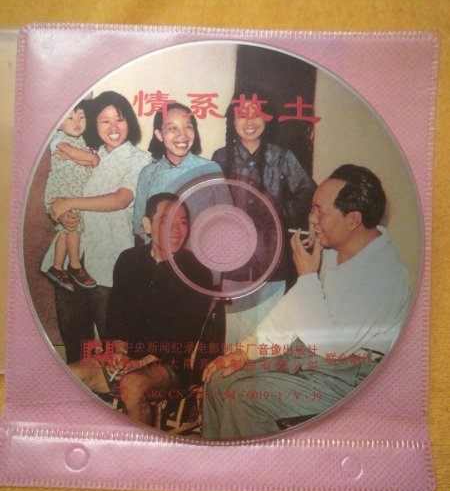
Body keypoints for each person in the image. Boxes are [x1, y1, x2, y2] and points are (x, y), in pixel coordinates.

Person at [202, 165, 411, 440]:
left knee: (244, 398)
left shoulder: (384, 272)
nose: (311, 218)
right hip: (309, 360)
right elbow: (291, 313)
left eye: (319, 210)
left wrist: (308, 277)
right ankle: (218, 463)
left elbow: (330, 346)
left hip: (350, 377)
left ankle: (253, 467)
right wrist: (246, 351)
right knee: (219, 379)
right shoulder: (334, 252)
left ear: (353, 220)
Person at [71, 193, 222, 425]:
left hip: (171, 365)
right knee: (72, 374)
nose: (176, 230)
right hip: (128, 361)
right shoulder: (129, 260)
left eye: (183, 222)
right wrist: (118, 353)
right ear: (147, 225)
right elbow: (116, 319)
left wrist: (139, 364)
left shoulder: (195, 271)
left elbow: (184, 337)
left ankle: (140, 447)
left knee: (131, 386)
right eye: (167, 221)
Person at [44, 91, 151, 363]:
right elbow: (59, 187)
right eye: (105, 121)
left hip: (110, 260)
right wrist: (60, 213)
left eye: (120, 119)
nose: (113, 127)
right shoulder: (88, 153)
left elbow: (121, 199)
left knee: (113, 349)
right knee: (76, 346)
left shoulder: (140, 159)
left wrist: (70, 203)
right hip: (70, 259)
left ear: (129, 122)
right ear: (95, 124)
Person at [211, 89, 316, 343]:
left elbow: (309, 193)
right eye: (242, 114)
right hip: (233, 264)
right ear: (232, 119)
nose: (249, 121)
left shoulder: (282, 157)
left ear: (267, 118)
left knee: (266, 337)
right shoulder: (221, 158)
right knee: (234, 338)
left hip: (272, 262)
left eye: (256, 114)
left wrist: (279, 215)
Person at [132, 102, 224, 241]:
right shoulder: (148, 173)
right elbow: (140, 226)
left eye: (188, 127)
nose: (182, 134)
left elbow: (225, 220)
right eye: (173, 128)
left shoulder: (210, 170)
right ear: (159, 134)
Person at [43, 101, 99, 292]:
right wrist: (82, 157)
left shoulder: (81, 140)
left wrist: (80, 158)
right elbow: (90, 158)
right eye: (70, 118)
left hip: (73, 192)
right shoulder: (58, 140)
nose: (77, 122)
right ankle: (75, 265)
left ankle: (57, 267)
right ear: (58, 123)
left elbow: (93, 161)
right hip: (62, 192)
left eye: (81, 117)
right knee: (74, 227)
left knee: (65, 230)